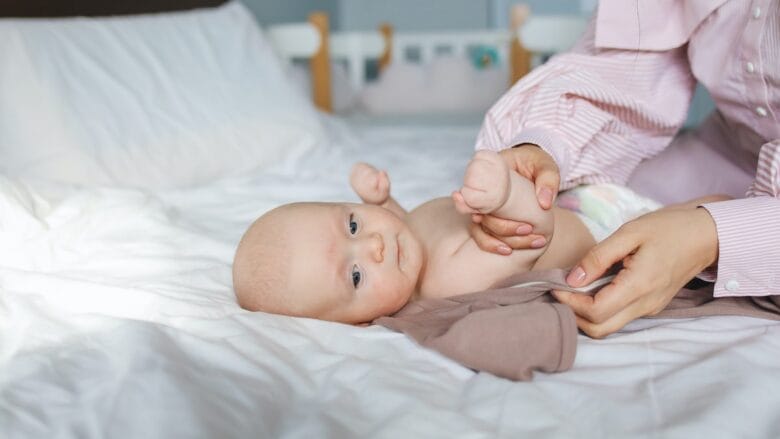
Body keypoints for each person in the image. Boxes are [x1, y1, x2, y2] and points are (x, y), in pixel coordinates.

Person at [471, 0, 779, 338]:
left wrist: (713, 237)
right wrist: (544, 144)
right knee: (603, 202)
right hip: (730, 152)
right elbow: (623, 67)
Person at [232, 153, 663, 324]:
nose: (375, 245)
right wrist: (507, 194)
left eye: (352, 225)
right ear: (360, 322)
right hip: (612, 230)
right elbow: (529, 238)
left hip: (577, 194)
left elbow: (409, 227)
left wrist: (384, 202)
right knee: (701, 210)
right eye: (357, 276)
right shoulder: (449, 283)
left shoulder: (403, 245)